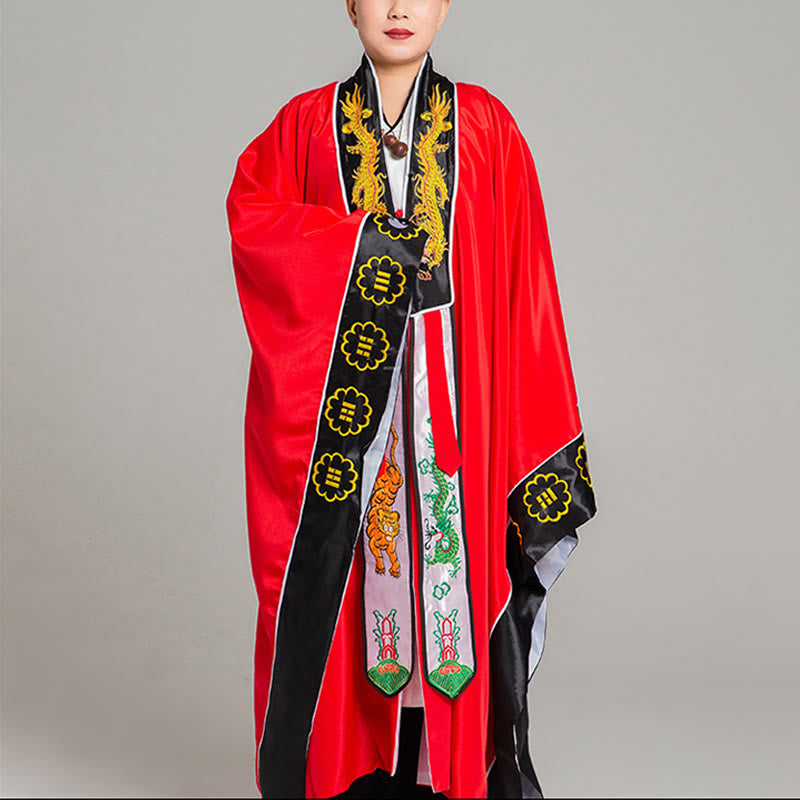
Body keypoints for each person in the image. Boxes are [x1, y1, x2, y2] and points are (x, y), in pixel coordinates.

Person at [225, 1, 597, 797]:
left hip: (457, 410)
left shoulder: (488, 129)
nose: (399, 8)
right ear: (350, 5)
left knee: (453, 575)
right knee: (355, 580)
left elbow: (525, 286)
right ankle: (355, 770)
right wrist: (365, 251)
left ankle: (441, 770)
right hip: (355, 413)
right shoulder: (302, 128)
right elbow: (257, 226)